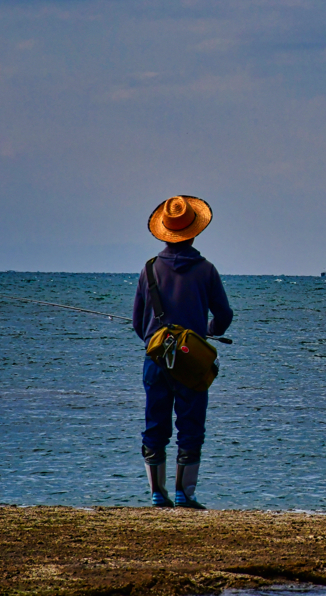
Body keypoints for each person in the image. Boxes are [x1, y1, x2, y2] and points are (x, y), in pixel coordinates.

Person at [132, 195, 233, 509]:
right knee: (191, 427)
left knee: (154, 425)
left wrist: (160, 340)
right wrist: (208, 332)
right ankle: (184, 494)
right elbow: (224, 316)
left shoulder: (149, 270)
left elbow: (138, 324)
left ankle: (156, 493)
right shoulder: (206, 270)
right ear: (194, 231)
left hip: (156, 359)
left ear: (165, 231)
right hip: (192, 359)